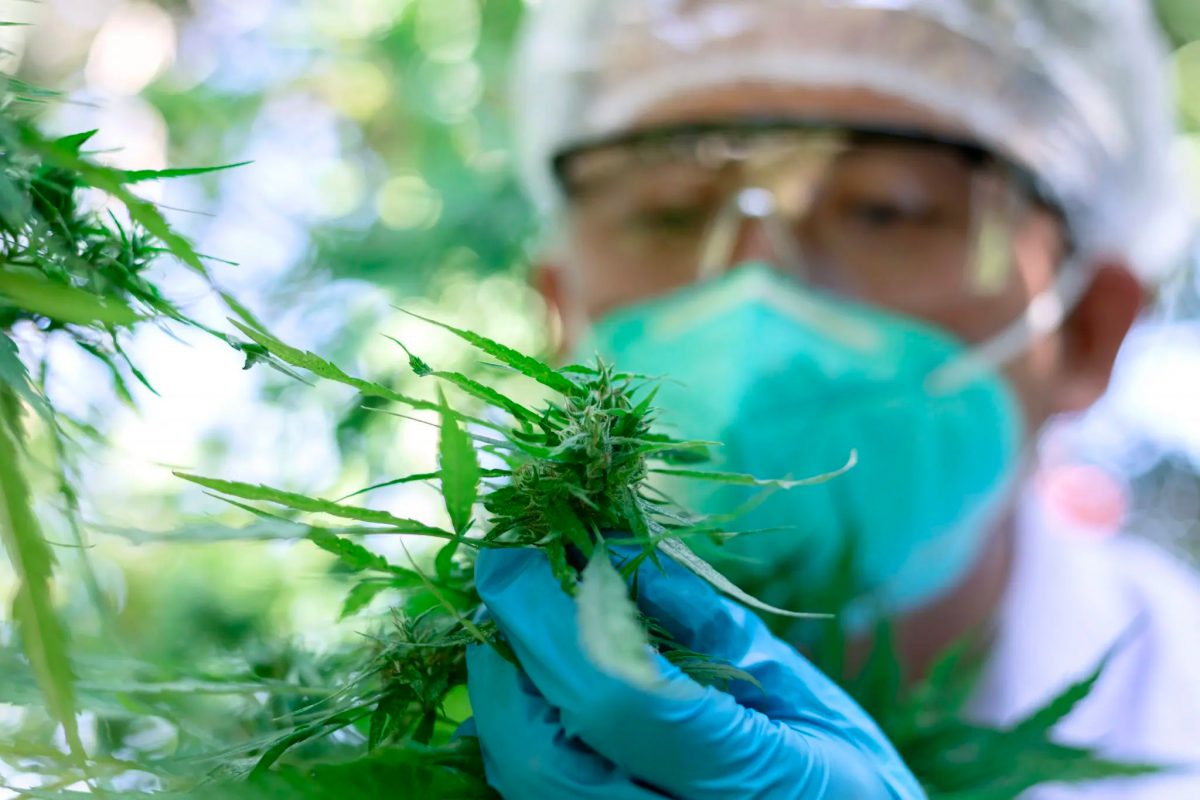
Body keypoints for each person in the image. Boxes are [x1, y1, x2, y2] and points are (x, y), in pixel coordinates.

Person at [465, 1, 1200, 797]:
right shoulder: (386, 731)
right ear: (557, 312)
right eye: (667, 209)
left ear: (1090, 327)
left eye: (886, 209)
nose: (753, 293)